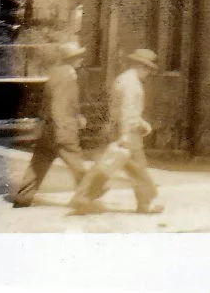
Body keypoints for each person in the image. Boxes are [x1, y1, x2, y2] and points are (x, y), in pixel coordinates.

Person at [69, 48, 164, 215]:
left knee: (109, 165)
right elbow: (127, 110)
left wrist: (140, 122)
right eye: (148, 69)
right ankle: (145, 203)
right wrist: (126, 134)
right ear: (141, 66)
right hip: (127, 132)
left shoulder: (122, 79)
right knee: (135, 168)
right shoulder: (132, 84)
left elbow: (119, 108)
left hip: (118, 128)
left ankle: (83, 197)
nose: (148, 73)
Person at [11, 41, 89, 207]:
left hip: (48, 128)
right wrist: (62, 130)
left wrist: (77, 114)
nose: (82, 59)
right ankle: (88, 196)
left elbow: (60, 103)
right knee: (77, 164)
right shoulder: (66, 76)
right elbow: (59, 105)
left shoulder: (57, 72)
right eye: (79, 56)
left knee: (38, 164)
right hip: (62, 129)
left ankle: (23, 198)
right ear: (72, 58)